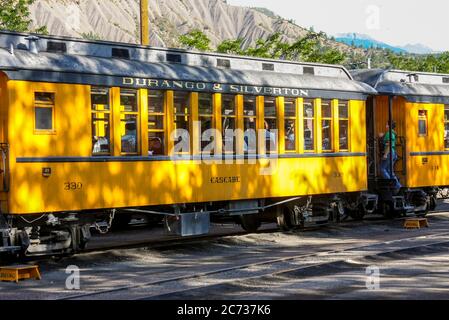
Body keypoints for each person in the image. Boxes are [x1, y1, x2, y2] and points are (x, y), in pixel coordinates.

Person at [380, 121, 401, 189]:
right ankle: (397, 186)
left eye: (386, 124)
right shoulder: (392, 133)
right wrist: (383, 136)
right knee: (390, 171)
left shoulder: (388, 133)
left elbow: (388, 144)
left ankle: (393, 185)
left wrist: (385, 154)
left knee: (382, 169)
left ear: (389, 126)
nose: (385, 125)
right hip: (393, 153)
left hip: (389, 153)